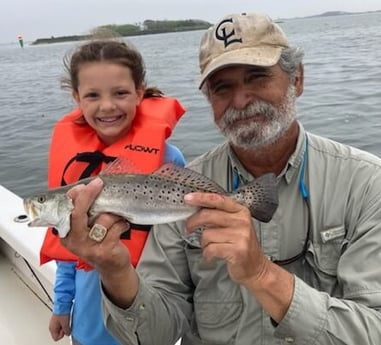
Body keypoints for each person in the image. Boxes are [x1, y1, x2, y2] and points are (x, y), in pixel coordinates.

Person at [60, 12, 381, 344]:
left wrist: (262, 275)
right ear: (209, 99)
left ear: (297, 79)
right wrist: (114, 270)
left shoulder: (368, 184)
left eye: (257, 77)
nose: (241, 100)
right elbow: (157, 335)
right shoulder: (180, 189)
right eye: (222, 87)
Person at [40, 39, 186, 345]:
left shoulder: (169, 159)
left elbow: (176, 252)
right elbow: (65, 248)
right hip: (88, 326)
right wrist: (62, 305)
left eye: (120, 93)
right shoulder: (73, 167)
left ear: (139, 93)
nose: (107, 106)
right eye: (92, 95)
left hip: (145, 319)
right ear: (77, 97)